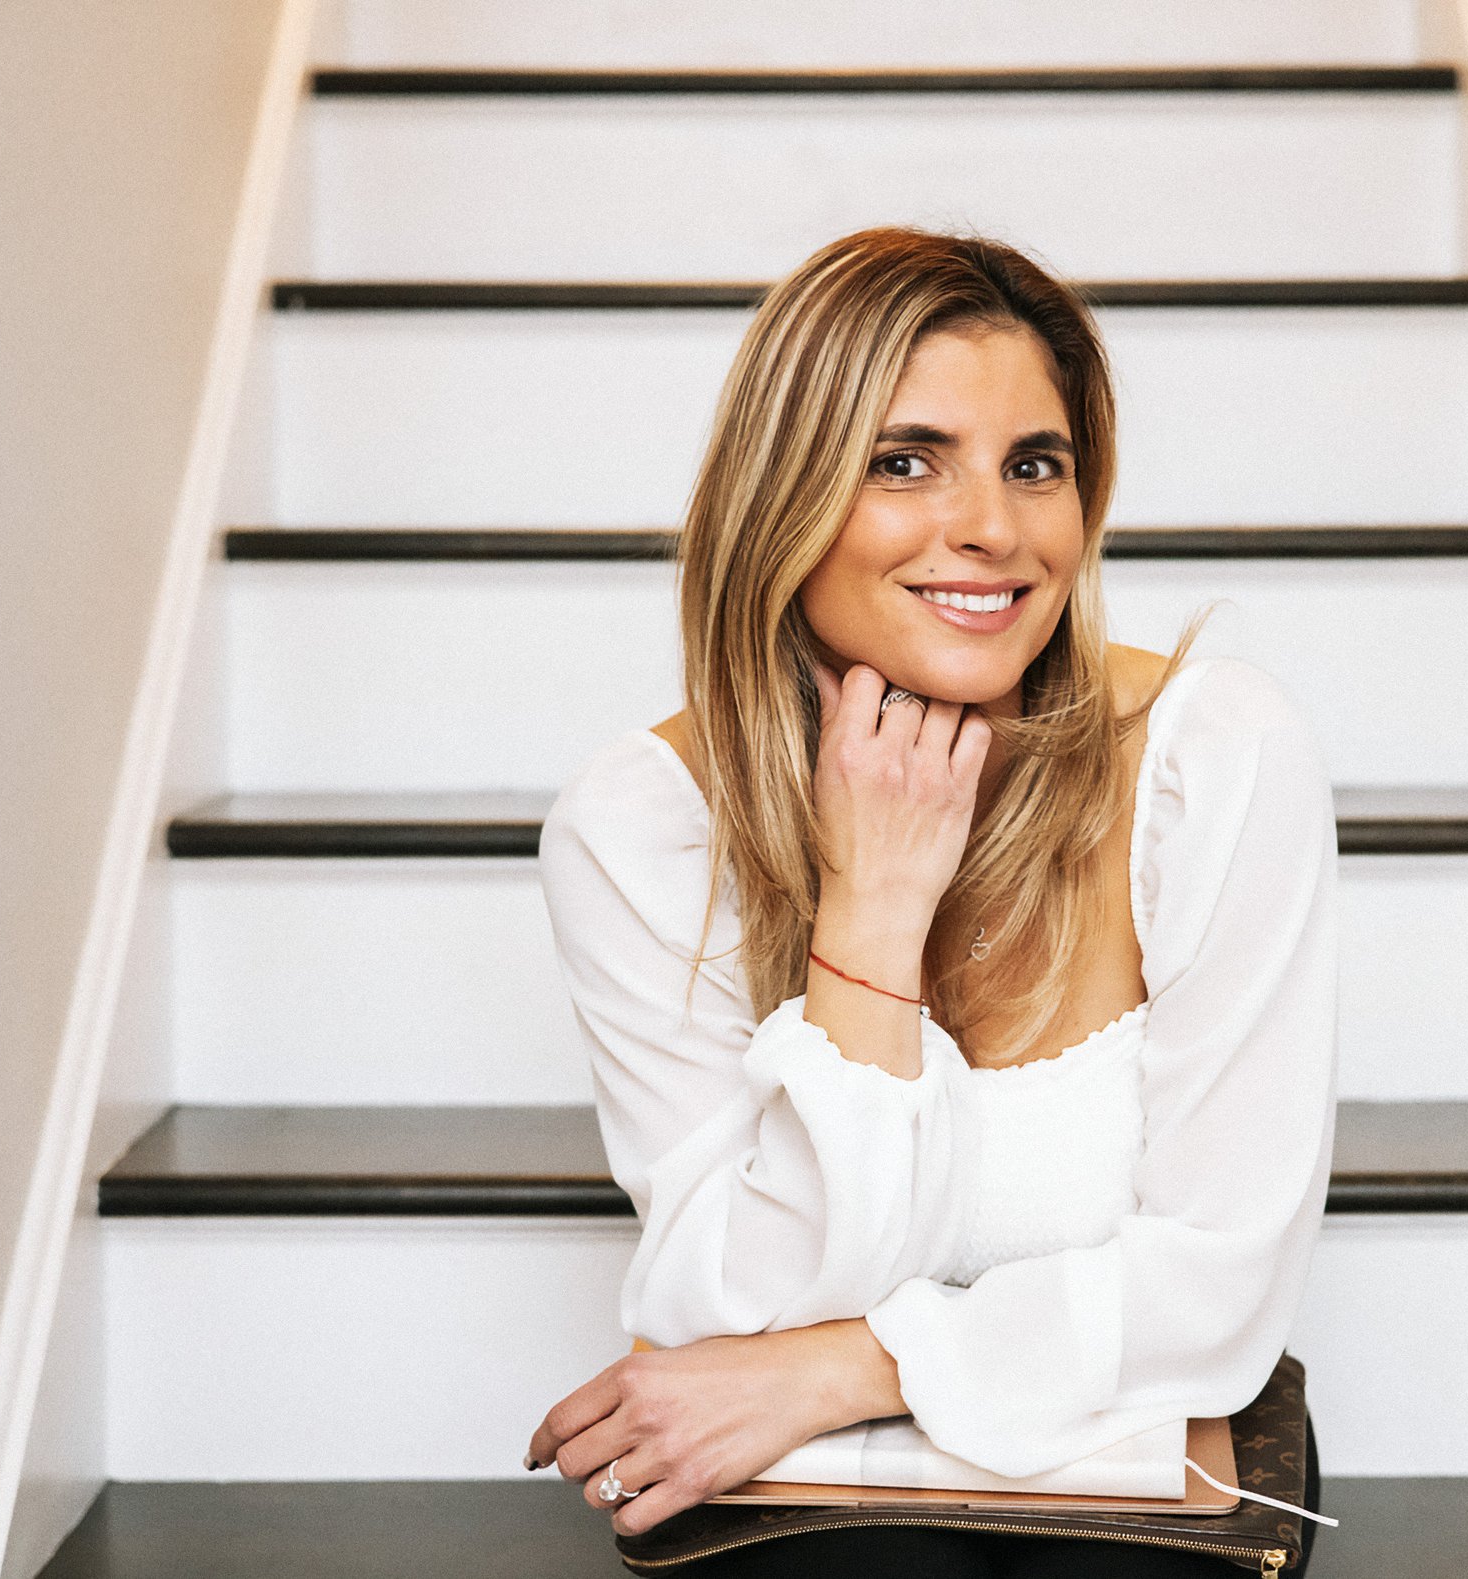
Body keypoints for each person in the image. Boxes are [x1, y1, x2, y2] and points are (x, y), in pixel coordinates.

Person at [524, 226, 1340, 1575]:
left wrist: (845, 1370)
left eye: (1038, 465)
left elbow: (1218, 1295)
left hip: (1131, 1471)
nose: (996, 530)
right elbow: (737, 1305)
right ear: (782, 495)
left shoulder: (1213, 756)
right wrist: (872, 916)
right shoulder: (641, 829)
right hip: (824, 1505)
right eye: (905, 461)